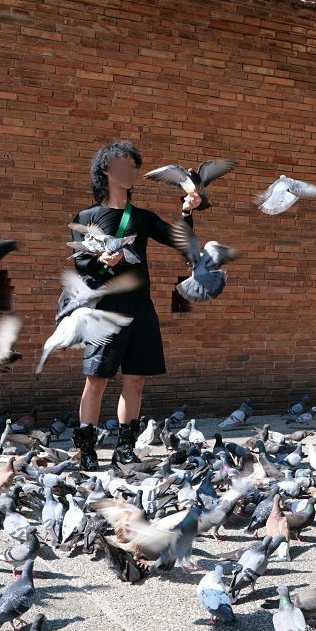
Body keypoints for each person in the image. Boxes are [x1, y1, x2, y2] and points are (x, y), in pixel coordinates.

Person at [70, 141, 201, 470]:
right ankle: (86, 445)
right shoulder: (86, 217)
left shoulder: (142, 218)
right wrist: (104, 259)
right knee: (96, 379)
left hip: (141, 307)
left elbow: (179, 241)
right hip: (106, 308)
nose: (129, 171)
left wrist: (187, 211)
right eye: (122, 165)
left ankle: (124, 448)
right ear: (105, 171)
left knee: (137, 379)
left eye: (133, 165)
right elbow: (81, 267)